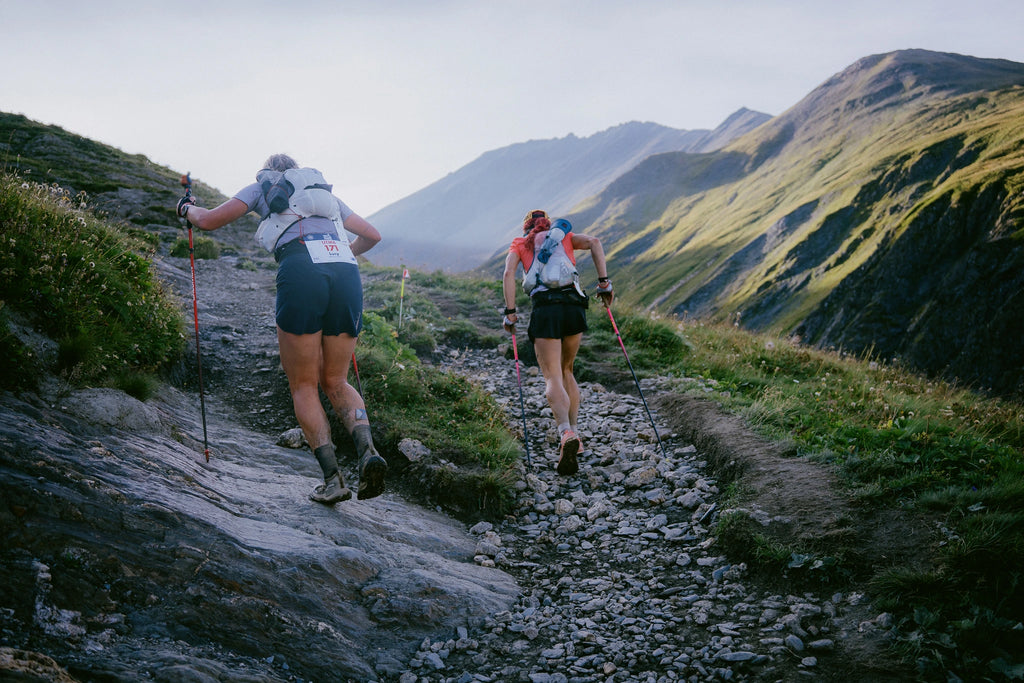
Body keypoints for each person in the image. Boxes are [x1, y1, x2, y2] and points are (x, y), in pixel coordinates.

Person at [176, 153, 387, 505]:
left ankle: (334, 480)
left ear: (271, 170)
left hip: (301, 269)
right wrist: (339, 252)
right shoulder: (323, 193)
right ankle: (368, 452)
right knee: (337, 380)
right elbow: (373, 236)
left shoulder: (264, 185)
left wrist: (186, 209)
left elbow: (210, 221)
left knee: (303, 384)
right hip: (345, 270)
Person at [502, 209, 613, 475]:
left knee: (551, 376)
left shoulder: (520, 243)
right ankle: (575, 433)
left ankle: (564, 433)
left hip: (546, 310)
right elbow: (595, 242)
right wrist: (604, 284)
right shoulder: (564, 237)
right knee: (567, 370)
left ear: (526, 227)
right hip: (574, 305)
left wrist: (510, 313)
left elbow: (508, 274)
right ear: (548, 225)